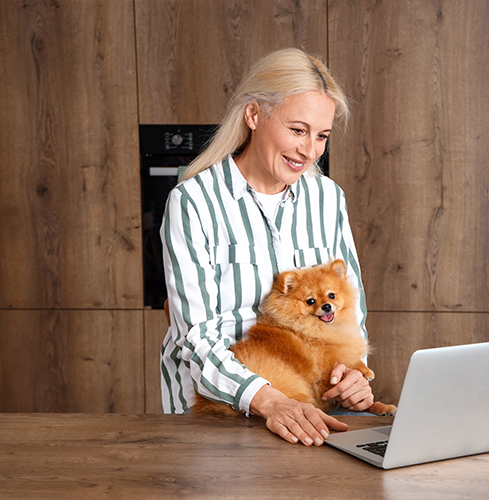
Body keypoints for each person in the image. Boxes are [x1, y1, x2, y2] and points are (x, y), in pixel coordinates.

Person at [160, 48, 379, 447]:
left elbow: (350, 306)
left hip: (309, 411)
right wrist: (269, 400)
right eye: (298, 130)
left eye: (322, 136)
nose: (310, 150)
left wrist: (354, 372)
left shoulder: (327, 198)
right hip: (216, 411)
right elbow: (196, 336)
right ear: (254, 115)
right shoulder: (193, 202)